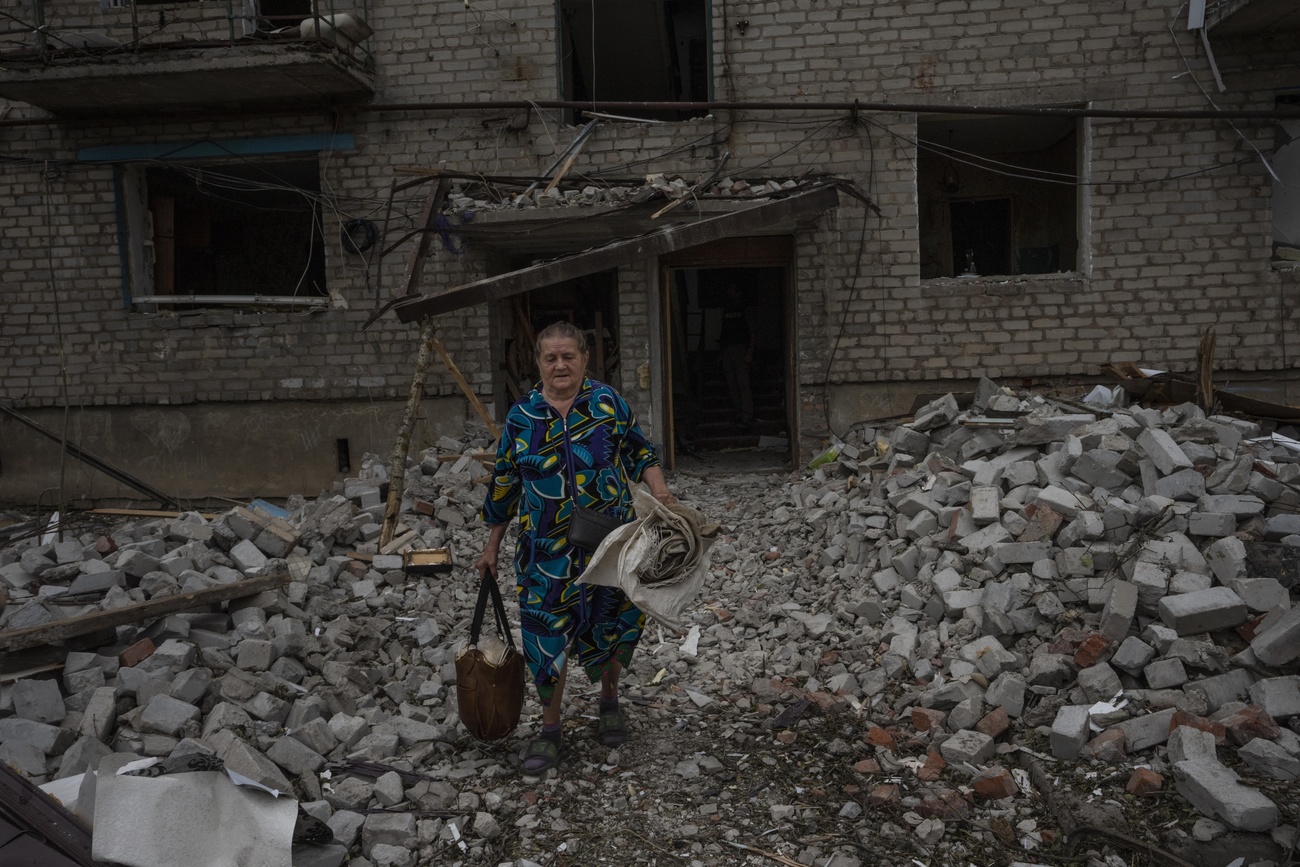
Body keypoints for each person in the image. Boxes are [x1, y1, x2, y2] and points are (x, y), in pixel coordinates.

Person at [475, 321, 677, 775]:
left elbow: (641, 453)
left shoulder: (607, 404)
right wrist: (491, 547)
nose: (560, 365)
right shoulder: (522, 418)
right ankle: (550, 729)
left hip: (610, 544)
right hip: (545, 553)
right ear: (539, 364)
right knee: (546, 638)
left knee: (612, 622)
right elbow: (503, 485)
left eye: (569, 356)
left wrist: (660, 492)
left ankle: (609, 701)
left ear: (585, 360)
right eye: (551, 357)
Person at [718, 283, 755, 428]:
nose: (729, 291)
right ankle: (738, 413)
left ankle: (747, 415)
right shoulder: (727, 309)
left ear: (738, 292)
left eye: (732, 289)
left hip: (740, 348)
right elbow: (723, 331)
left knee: (743, 383)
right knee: (732, 384)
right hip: (727, 349)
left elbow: (753, 332)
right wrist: (720, 353)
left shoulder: (746, 308)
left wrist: (750, 352)